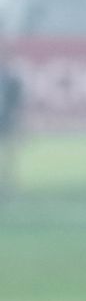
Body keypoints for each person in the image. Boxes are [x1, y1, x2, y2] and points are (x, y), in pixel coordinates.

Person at [0, 57, 22, 199]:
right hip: (7, 121)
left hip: (7, 122)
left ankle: (8, 189)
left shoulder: (11, 81)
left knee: (8, 159)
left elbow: (16, 104)